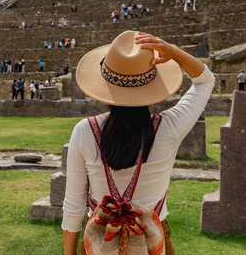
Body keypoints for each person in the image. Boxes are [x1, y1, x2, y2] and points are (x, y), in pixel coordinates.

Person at [62, 31, 214, 255]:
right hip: (152, 239)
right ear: (150, 83)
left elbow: (73, 208)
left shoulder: (85, 132)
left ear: (106, 84)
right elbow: (205, 80)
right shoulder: (169, 128)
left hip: (100, 242)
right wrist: (173, 51)